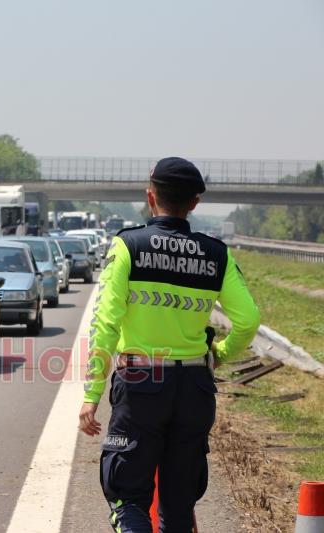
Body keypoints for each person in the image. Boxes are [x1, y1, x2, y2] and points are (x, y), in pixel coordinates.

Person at [78, 157, 260, 532]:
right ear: (195, 203)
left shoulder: (128, 245)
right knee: (179, 503)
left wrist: (92, 393)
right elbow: (248, 321)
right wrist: (218, 356)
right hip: (194, 386)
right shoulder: (217, 254)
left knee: (127, 496)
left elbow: (106, 323)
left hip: (141, 382)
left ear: (150, 197)